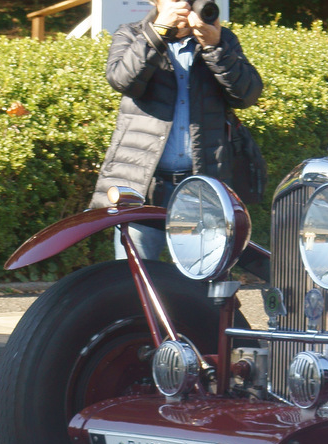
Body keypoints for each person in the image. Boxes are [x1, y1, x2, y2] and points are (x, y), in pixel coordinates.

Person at [90, 0, 263, 259]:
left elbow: (247, 94)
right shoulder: (132, 34)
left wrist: (215, 48)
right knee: (136, 281)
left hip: (202, 185)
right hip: (144, 186)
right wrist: (157, 33)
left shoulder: (221, 39)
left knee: (201, 281)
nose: (184, 5)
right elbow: (123, 80)